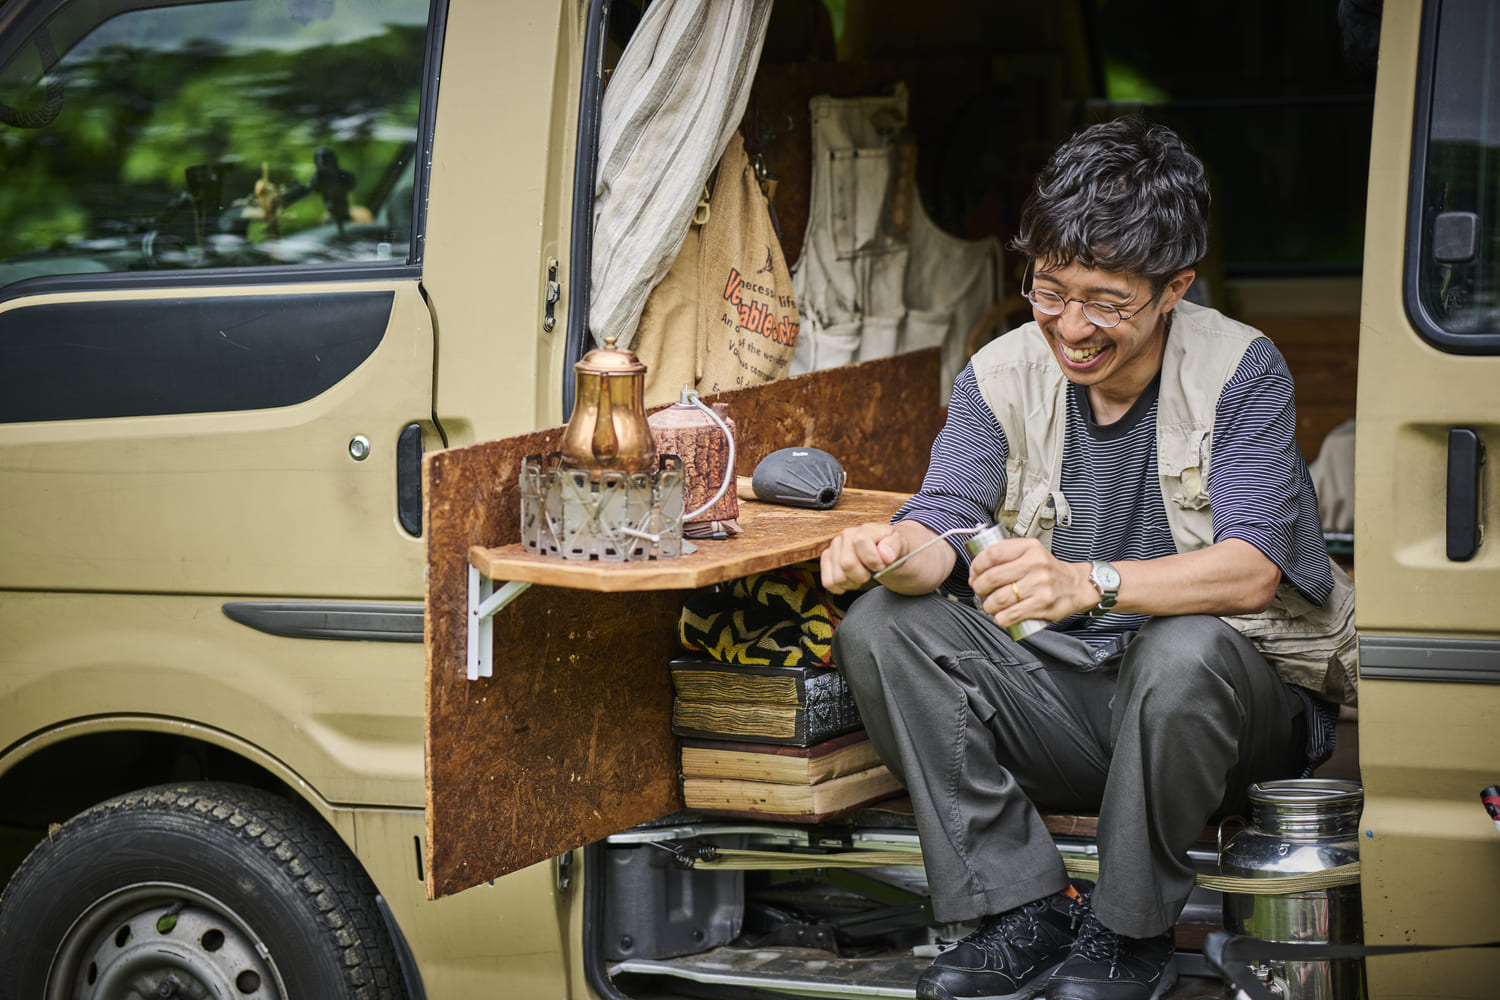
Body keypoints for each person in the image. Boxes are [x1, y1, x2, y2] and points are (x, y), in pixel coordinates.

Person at [820, 116, 1350, 1000]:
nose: (1071, 325)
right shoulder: (999, 373)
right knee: (884, 626)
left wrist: (1089, 582)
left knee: (1180, 650)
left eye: (1106, 301)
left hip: (1227, 713)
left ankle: (1127, 931)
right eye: (1050, 290)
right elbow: (941, 524)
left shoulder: (1244, 368)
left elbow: (1254, 567)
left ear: (1175, 286)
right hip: (1077, 704)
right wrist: (883, 551)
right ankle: (1023, 907)